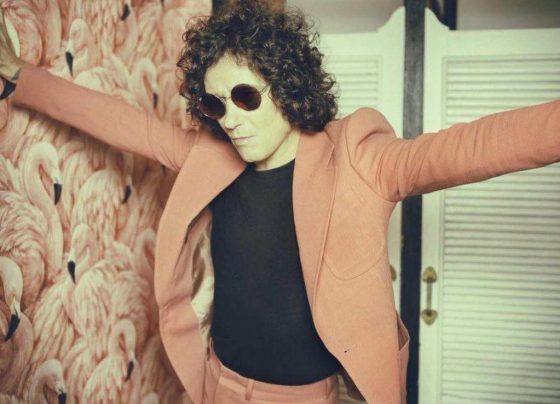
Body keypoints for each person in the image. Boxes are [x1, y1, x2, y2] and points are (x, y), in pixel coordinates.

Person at [1, 1, 559, 403]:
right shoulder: (209, 157)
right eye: (217, 104)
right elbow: (125, 123)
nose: (231, 119)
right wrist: (19, 77)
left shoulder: (361, 161)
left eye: (245, 96)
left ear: (288, 87)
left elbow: (472, 147)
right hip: (217, 385)